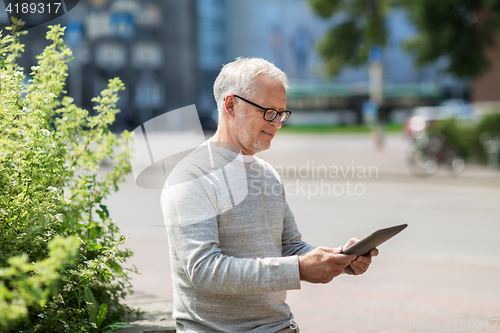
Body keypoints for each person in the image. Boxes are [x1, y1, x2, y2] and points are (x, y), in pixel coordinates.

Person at [160, 57, 378, 333]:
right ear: (231, 105)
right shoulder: (191, 176)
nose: (277, 123)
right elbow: (205, 271)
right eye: (268, 112)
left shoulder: (267, 174)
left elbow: (289, 248)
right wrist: (299, 269)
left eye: (282, 113)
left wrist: (336, 260)